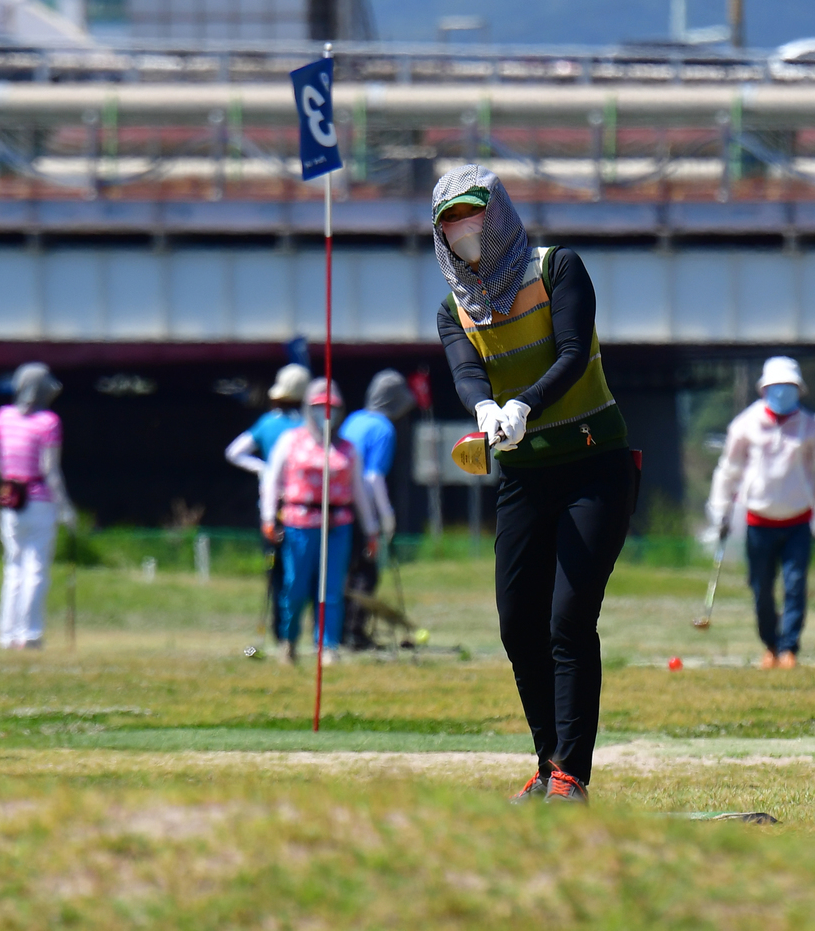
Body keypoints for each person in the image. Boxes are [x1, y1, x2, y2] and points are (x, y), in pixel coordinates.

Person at [433, 164, 635, 804]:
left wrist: (523, 404)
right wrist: (485, 410)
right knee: (518, 624)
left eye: (472, 214)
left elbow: (573, 352)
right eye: (449, 222)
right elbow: (467, 372)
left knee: (568, 622)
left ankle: (573, 773)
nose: (463, 229)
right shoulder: (453, 308)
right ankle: (547, 763)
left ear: (496, 214)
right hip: (524, 478)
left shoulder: (556, 269)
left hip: (592, 465)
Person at [707, 357, 815, 670]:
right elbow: (729, 471)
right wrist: (720, 511)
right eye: (777, 387)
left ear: (798, 390)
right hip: (758, 521)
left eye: (789, 387)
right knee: (761, 588)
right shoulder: (745, 425)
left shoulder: (810, 428)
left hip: (797, 521)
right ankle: (770, 644)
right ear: (764, 389)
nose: (783, 393)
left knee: (794, 585)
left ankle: (789, 647)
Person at [260, 378, 379, 666]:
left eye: (332, 408)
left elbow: (360, 490)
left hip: (338, 524)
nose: (326, 414)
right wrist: (267, 518)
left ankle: (327, 645)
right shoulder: (291, 440)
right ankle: (288, 642)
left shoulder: (348, 448)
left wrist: (372, 529)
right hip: (298, 522)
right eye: (318, 407)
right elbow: (272, 480)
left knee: (332, 589)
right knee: (295, 585)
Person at [0, 363, 76, 649]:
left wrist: (2, 471)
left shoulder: (4, 417)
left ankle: (7, 634)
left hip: (11, 499)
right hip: (39, 500)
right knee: (36, 568)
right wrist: (66, 507)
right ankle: (29, 634)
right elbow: (50, 470)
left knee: (13, 567)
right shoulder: (48, 422)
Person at [225, 362, 308, 641]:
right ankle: (295, 631)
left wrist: (264, 468)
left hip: (272, 509)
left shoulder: (267, 423)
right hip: (304, 508)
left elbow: (234, 452)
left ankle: (278, 631)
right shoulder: (306, 427)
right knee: (300, 571)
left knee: (276, 572)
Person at [339, 369, 416, 648]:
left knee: (343, 569)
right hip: (362, 509)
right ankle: (355, 633)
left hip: (338, 505)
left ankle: (334, 630)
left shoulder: (353, 419)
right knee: (366, 572)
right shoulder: (384, 428)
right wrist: (385, 518)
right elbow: (373, 478)